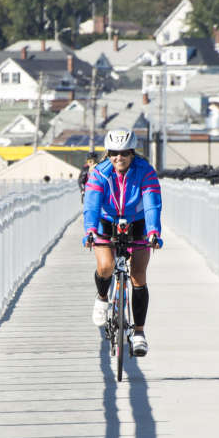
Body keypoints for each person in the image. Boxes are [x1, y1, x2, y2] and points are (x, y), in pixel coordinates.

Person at [82, 129, 162, 357]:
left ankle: (138, 333)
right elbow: (91, 205)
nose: (120, 158)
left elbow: (151, 204)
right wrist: (90, 231)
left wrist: (154, 231)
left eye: (125, 153)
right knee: (106, 266)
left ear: (132, 153)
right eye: (115, 153)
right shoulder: (99, 173)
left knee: (138, 274)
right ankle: (102, 297)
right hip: (106, 222)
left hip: (137, 223)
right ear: (108, 154)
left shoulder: (145, 172)